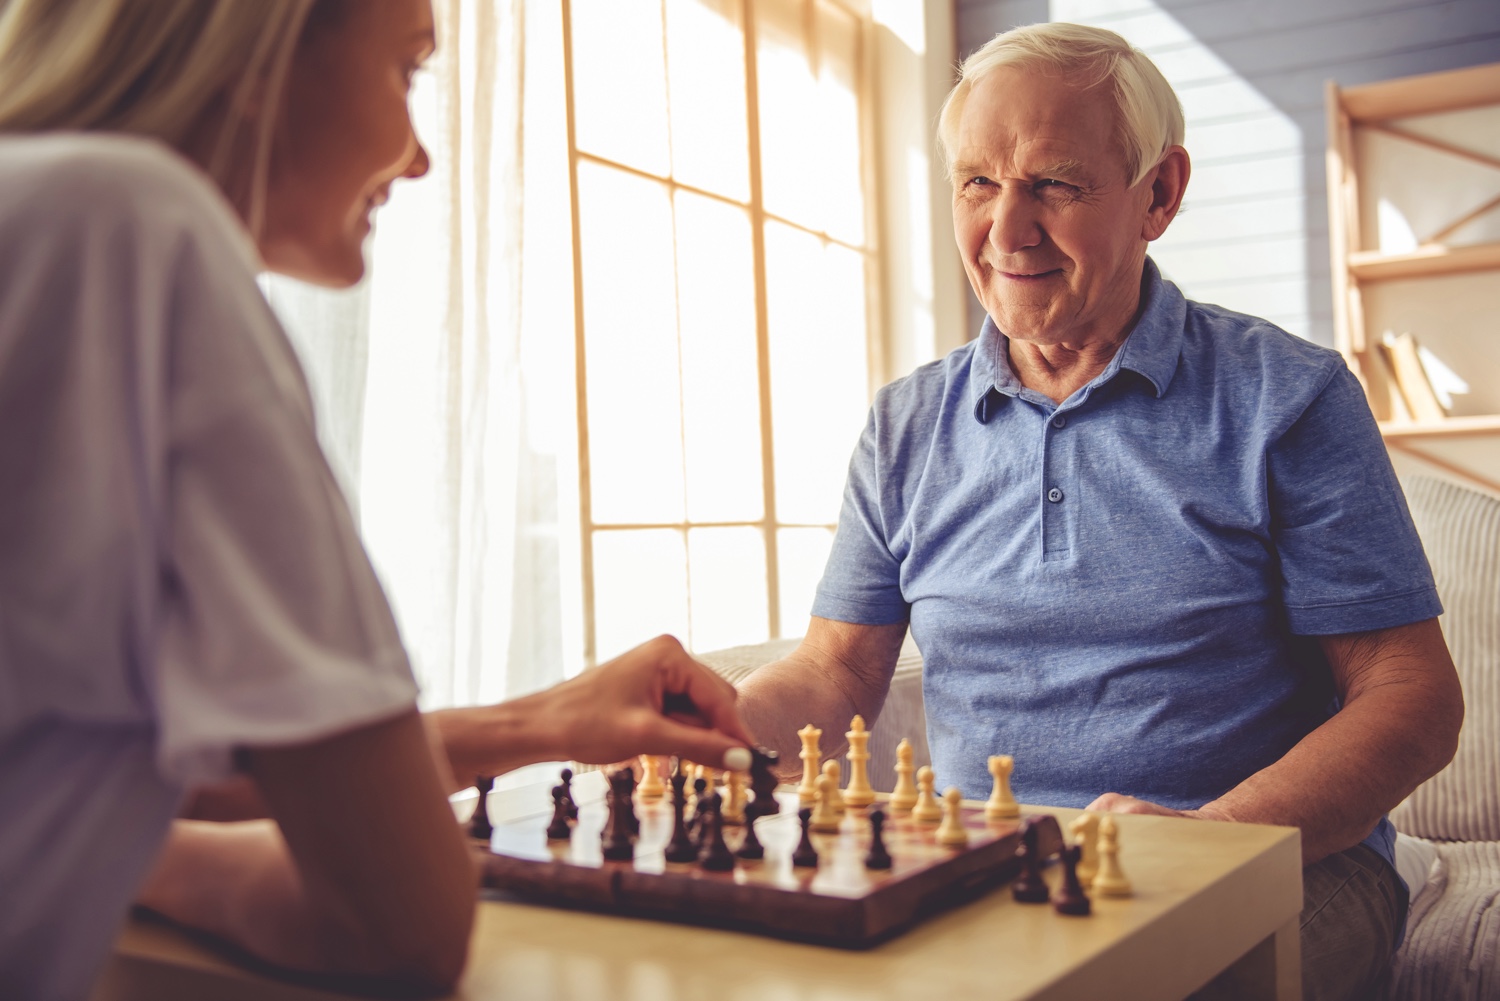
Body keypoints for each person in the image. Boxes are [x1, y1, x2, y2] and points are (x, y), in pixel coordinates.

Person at [0, 2, 751, 998]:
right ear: (257, 51)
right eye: (409, 72)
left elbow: (114, 762)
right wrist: (151, 858)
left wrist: (542, 719)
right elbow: (400, 921)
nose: (419, 157)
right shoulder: (134, 224)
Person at [734, 22, 1464, 1001]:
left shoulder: (1287, 396)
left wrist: (1214, 843)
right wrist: (708, 729)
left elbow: (1410, 693)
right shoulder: (906, 423)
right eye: (978, 183)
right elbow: (836, 668)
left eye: (1055, 183)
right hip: (989, 870)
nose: (1007, 230)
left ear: (1159, 193)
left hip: (1278, 866)